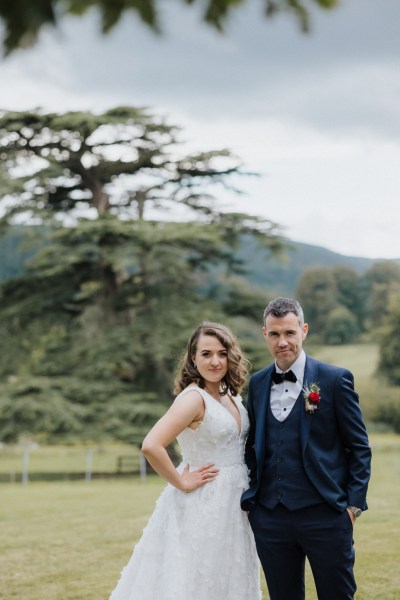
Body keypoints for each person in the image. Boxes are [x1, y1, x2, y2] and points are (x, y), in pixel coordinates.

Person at [109, 322, 261, 600]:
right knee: (198, 576)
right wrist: (181, 481)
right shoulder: (193, 398)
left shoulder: (230, 395)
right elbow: (151, 445)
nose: (215, 361)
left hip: (235, 500)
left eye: (221, 353)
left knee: (229, 573)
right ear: (193, 358)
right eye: (206, 354)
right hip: (205, 501)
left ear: (231, 355)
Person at [241, 297, 371, 600]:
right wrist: (255, 501)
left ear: (304, 330)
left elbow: (359, 448)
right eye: (274, 334)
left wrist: (352, 507)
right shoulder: (258, 383)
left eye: (289, 332)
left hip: (326, 514)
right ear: (264, 334)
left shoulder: (335, 379)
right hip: (271, 517)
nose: (282, 341)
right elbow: (252, 445)